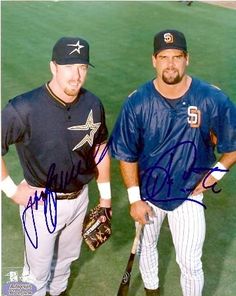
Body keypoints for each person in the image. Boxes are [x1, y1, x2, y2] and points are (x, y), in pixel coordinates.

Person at [110, 29, 236, 296]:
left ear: (186, 59)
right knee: (147, 248)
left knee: (190, 262)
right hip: (148, 193)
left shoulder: (210, 98)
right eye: (164, 57)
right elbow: (126, 153)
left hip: (189, 193)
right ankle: (152, 292)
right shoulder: (137, 102)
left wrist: (216, 173)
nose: (170, 64)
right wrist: (134, 199)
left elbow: (233, 145)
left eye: (176, 56)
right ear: (153, 60)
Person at [1, 36, 111, 296]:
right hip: (42, 204)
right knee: (36, 275)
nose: (76, 76)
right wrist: (11, 191)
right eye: (69, 67)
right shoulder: (23, 108)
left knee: (65, 263)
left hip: (80, 199)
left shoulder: (93, 103)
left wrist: (105, 199)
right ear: (53, 67)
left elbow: (100, 148)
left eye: (82, 67)